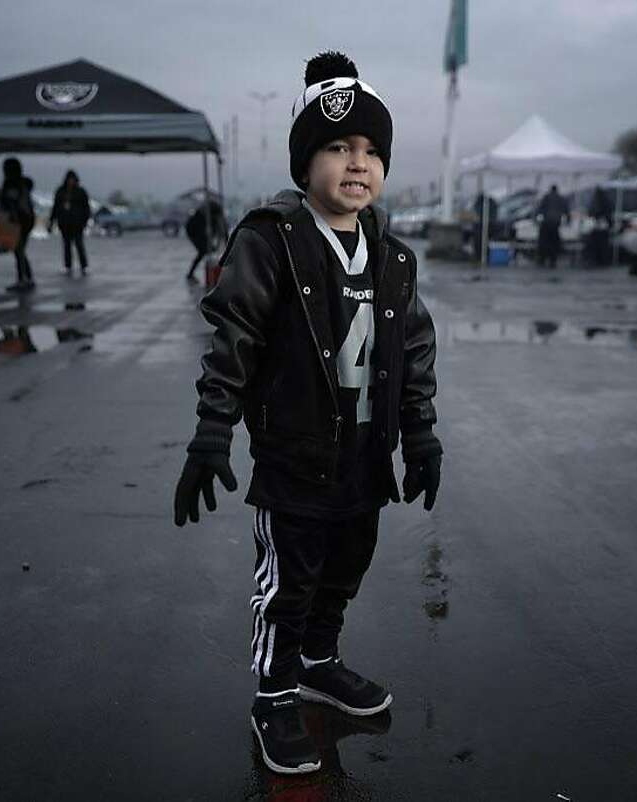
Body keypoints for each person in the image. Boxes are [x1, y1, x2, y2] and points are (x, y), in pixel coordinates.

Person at [172, 51, 441, 776]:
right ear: (304, 161)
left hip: (364, 458)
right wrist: (211, 435)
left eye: (371, 151)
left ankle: (320, 662)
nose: (357, 164)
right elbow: (233, 340)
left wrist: (421, 438)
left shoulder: (393, 256)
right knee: (287, 584)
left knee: (344, 569)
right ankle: (274, 695)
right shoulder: (270, 241)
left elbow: (414, 348)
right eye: (337, 147)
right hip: (293, 459)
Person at [0, 158, 35, 292]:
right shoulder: (23, 184)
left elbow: (11, 203)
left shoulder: (11, 183)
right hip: (27, 219)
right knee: (20, 250)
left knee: (18, 250)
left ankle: (22, 279)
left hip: (18, 220)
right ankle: (27, 277)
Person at [47, 169, 92, 276]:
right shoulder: (60, 192)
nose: (70, 181)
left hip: (77, 223)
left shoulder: (80, 192)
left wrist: (85, 221)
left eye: (72, 179)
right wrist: (51, 221)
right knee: (67, 246)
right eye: (69, 179)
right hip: (64, 223)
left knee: (79, 244)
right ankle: (68, 266)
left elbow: (86, 208)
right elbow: (55, 207)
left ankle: (83, 266)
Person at [184, 194, 227, 282]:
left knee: (206, 250)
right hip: (193, 230)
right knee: (204, 251)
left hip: (196, 229)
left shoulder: (214, 214)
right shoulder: (210, 214)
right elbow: (220, 231)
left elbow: (221, 232)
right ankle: (191, 274)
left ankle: (192, 274)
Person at [537, 185, 569, 268]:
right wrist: (568, 220)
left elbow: (540, 208)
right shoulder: (560, 198)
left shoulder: (546, 197)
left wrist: (538, 218)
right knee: (554, 243)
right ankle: (553, 260)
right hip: (555, 223)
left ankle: (542, 259)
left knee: (544, 242)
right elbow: (566, 209)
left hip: (546, 222)